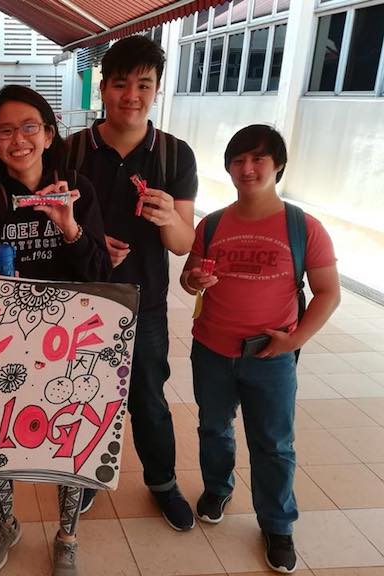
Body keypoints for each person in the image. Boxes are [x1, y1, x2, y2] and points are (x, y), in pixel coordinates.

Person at [0, 84, 110, 576]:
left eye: (29, 127)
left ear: (49, 133)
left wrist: (70, 227)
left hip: (70, 342)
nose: (19, 139)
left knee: (70, 438)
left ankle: (67, 536)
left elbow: (99, 274)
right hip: (4, 344)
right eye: (5, 131)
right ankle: (7, 522)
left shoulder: (78, 189)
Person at [180, 124, 339, 573]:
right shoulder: (211, 224)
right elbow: (189, 277)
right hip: (211, 349)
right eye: (238, 160)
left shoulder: (303, 227)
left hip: (270, 355)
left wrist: (295, 341)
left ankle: (277, 523)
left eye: (258, 159)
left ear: (278, 165)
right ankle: (218, 487)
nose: (246, 169)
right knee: (213, 427)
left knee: (272, 444)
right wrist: (193, 279)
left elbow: (328, 292)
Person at [67, 35, 198, 530]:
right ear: (103, 89)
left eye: (144, 84)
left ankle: (162, 481)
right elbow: (49, 224)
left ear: (157, 89)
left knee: (147, 394)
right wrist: (91, 243)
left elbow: (183, 243)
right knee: (80, 393)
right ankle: (83, 479)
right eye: (121, 84)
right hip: (80, 300)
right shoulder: (73, 149)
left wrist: (166, 217)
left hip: (145, 304)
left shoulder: (173, 155)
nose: (132, 95)